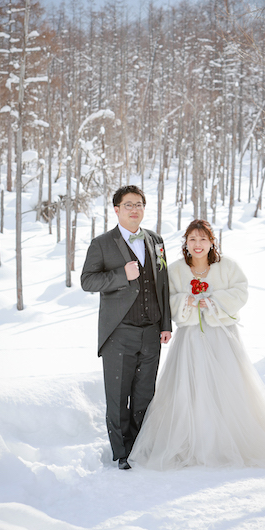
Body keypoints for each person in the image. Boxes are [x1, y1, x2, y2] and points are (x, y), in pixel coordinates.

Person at [129, 219, 265, 470]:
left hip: (222, 336)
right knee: (191, 387)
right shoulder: (175, 270)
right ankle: (193, 442)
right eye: (192, 239)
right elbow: (166, 298)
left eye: (203, 239)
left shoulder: (227, 266)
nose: (197, 244)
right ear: (186, 243)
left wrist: (212, 301)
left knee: (227, 385)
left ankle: (227, 443)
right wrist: (187, 301)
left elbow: (240, 291)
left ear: (212, 242)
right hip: (189, 339)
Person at [81, 185, 172, 470]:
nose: (134, 209)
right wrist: (122, 274)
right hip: (119, 333)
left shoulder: (156, 240)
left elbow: (163, 284)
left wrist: (165, 323)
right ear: (117, 209)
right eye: (128, 205)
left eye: (139, 204)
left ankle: (140, 448)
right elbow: (87, 281)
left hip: (152, 331)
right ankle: (122, 453)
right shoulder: (101, 243)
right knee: (118, 396)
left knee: (145, 395)